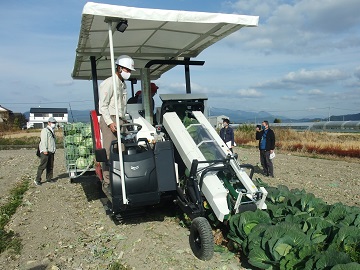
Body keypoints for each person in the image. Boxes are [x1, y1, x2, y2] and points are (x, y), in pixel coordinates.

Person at [99, 55, 135, 188]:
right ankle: (107, 182)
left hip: (120, 119)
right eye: (127, 70)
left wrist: (124, 119)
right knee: (109, 150)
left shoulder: (122, 84)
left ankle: (120, 178)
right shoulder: (109, 83)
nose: (128, 73)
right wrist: (109, 122)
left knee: (121, 149)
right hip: (110, 118)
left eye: (130, 70)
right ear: (119, 68)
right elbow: (103, 106)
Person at [34, 117, 57, 185]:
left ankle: (49, 178)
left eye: (54, 123)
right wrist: (44, 150)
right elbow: (43, 141)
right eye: (53, 123)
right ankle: (37, 179)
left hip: (51, 151)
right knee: (43, 165)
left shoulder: (52, 130)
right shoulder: (45, 130)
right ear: (49, 123)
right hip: (45, 151)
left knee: (50, 165)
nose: (54, 124)